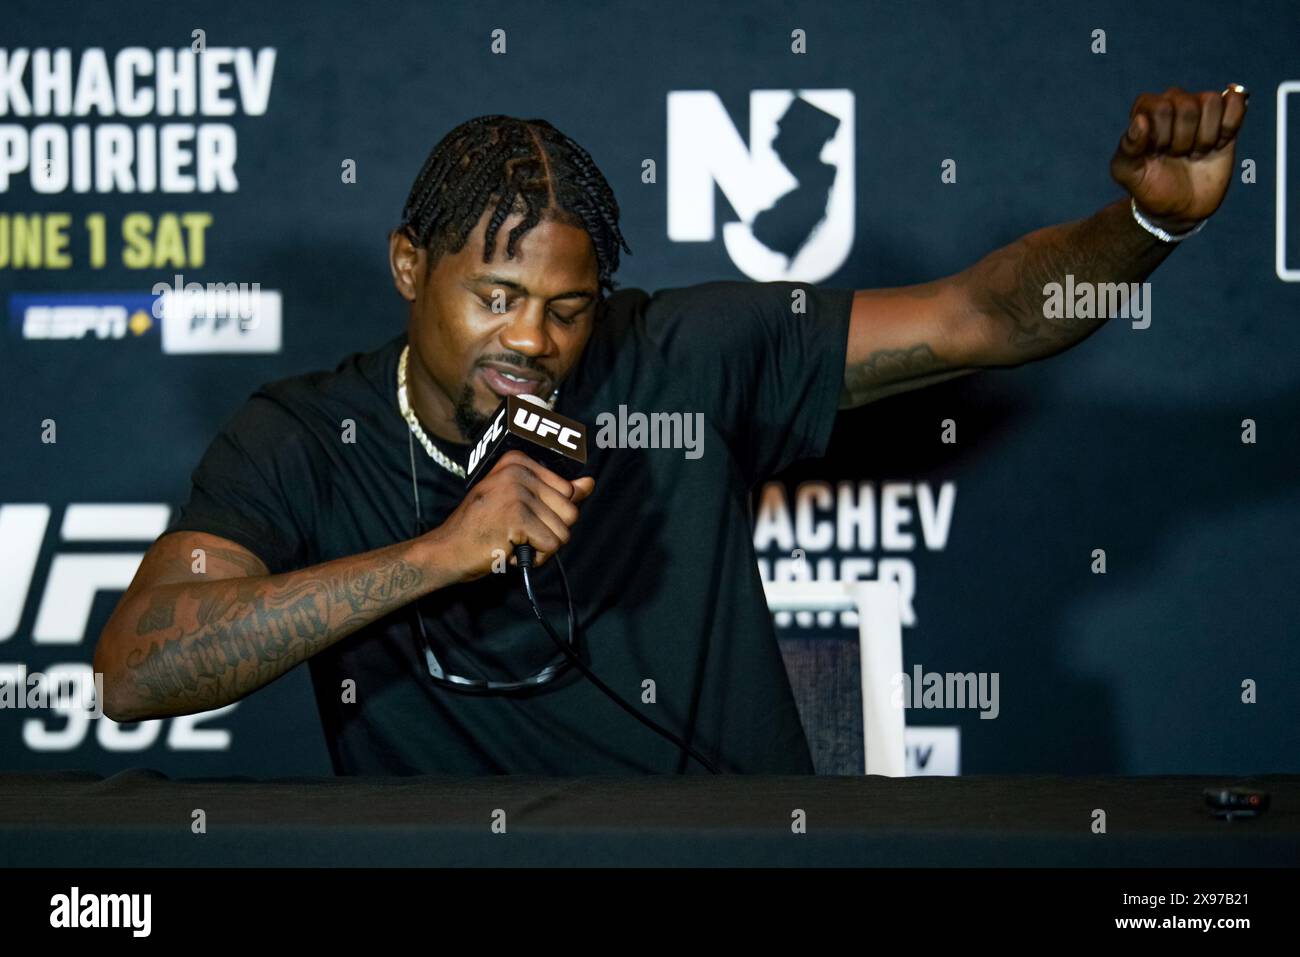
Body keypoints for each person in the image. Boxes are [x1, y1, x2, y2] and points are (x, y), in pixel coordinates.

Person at [95, 88, 1249, 774]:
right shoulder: (301, 435)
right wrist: (437, 554)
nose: (532, 342)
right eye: (492, 297)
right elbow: (136, 670)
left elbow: (977, 317)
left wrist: (1146, 220)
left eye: (566, 307)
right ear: (409, 268)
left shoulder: (685, 357)